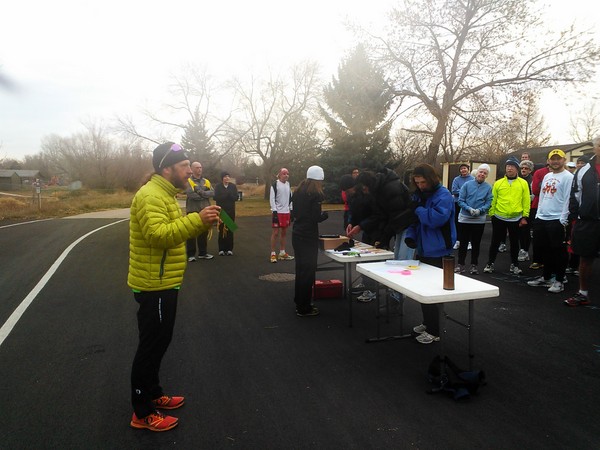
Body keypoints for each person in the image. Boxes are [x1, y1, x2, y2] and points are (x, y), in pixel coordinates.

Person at [128, 142, 221, 432]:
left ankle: (154, 393)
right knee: (151, 345)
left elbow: (171, 228)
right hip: (154, 284)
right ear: (166, 168)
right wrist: (196, 219)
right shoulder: (150, 196)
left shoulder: (165, 194)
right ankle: (142, 411)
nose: (188, 171)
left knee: (161, 340)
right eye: (183, 166)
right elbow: (158, 236)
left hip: (164, 281)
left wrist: (198, 222)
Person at [405, 164, 456, 344]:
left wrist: (418, 209)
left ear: (432, 179)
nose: (420, 185)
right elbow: (414, 221)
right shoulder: (420, 195)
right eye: (417, 182)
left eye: (423, 182)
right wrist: (411, 237)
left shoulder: (444, 195)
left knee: (434, 292)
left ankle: (435, 330)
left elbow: (436, 219)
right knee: (423, 290)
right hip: (423, 249)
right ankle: (428, 323)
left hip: (439, 250)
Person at [526, 149, 573, 293]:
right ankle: (546, 277)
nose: (555, 161)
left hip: (557, 218)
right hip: (542, 217)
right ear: (548, 161)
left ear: (564, 160)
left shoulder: (568, 177)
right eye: (553, 159)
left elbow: (568, 198)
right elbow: (542, 196)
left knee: (558, 250)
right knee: (543, 249)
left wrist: (563, 218)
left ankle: (559, 280)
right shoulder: (547, 176)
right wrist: (538, 214)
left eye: (559, 159)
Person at [564, 137, 600, 306]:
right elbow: (575, 195)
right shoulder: (583, 169)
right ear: (596, 148)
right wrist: (576, 216)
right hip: (588, 221)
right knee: (585, 258)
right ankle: (583, 293)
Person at [291, 165, 329, 316]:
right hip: (308, 236)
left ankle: (299, 301)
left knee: (300, 269)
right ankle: (304, 307)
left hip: (297, 233)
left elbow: (295, 213)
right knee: (308, 271)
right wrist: (324, 215)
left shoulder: (298, 191)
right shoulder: (315, 194)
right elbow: (315, 217)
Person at [483, 157, 530, 275]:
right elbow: (493, 199)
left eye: (512, 166)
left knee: (514, 243)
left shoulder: (523, 183)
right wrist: (492, 213)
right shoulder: (498, 183)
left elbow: (526, 200)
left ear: (516, 169)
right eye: (508, 166)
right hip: (499, 217)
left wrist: (525, 216)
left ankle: (515, 265)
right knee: (495, 242)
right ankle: (490, 263)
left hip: (516, 218)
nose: (509, 168)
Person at [455, 164, 493, 275]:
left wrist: (480, 210)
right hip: (465, 218)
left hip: (479, 220)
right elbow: (461, 200)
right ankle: (460, 264)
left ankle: (474, 265)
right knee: (463, 243)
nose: (482, 174)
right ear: (476, 172)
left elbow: (489, 202)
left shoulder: (488, 187)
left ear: (487, 175)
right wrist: (469, 209)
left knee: (476, 243)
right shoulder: (467, 185)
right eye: (481, 172)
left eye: (485, 173)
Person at [185, 161, 215, 261]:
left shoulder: (206, 181)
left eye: (201, 167)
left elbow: (212, 193)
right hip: (193, 210)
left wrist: (200, 193)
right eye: (197, 167)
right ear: (192, 169)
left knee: (203, 232)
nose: (199, 169)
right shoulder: (188, 181)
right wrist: (204, 194)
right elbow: (191, 195)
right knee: (191, 233)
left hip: (205, 209)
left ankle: (203, 253)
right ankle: (191, 255)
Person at [528, 162, 550, 269]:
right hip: (538, 206)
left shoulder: (566, 175)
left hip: (555, 212)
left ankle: (550, 264)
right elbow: (536, 190)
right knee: (537, 236)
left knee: (552, 240)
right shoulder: (540, 172)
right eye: (552, 159)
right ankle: (537, 260)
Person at [270, 168, 294, 263]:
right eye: (284, 174)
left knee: (284, 232)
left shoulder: (288, 185)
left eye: (287, 174)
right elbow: (272, 199)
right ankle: (272, 254)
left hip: (286, 212)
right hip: (277, 212)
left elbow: (290, 198)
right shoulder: (274, 185)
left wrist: (291, 210)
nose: (286, 175)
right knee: (275, 233)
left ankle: (282, 253)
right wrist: (274, 211)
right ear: (279, 175)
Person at [214, 171, 238, 256]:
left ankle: (229, 249)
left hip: (231, 210)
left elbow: (236, 197)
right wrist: (225, 195)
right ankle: (221, 249)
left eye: (228, 176)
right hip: (221, 211)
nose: (227, 178)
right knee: (221, 229)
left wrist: (230, 195)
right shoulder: (218, 186)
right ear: (222, 178)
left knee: (230, 229)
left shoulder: (233, 186)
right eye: (225, 176)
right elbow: (215, 197)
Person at [451, 163, 474, 249]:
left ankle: (468, 242)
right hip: (457, 203)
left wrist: (461, 192)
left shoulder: (472, 179)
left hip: (468, 204)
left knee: (468, 223)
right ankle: (458, 241)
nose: (463, 170)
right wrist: (465, 191)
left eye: (465, 168)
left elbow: (473, 191)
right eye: (461, 169)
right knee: (457, 222)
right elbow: (454, 191)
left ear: (468, 169)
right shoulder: (456, 179)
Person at [518, 159, 535, 262]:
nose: (523, 170)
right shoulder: (517, 179)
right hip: (517, 208)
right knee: (518, 231)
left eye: (526, 168)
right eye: (522, 168)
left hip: (529, 208)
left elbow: (534, 195)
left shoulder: (532, 180)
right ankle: (520, 249)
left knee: (526, 230)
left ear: (530, 170)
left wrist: (525, 198)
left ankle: (525, 250)